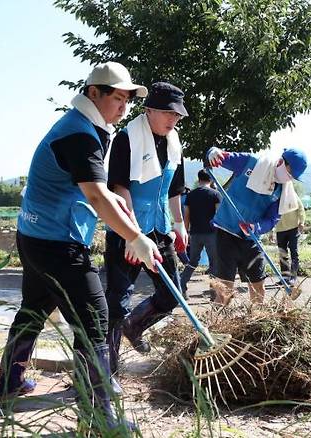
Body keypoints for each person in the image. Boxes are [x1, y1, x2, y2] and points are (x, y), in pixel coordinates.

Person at [0, 62, 155, 430]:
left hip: (35, 236)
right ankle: (100, 416)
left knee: (34, 310)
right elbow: (97, 197)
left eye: (128, 100)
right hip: (57, 243)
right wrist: (134, 238)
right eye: (117, 97)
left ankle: (9, 382)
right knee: (94, 320)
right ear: (93, 93)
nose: (123, 107)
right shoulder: (79, 135)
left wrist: (126, 216)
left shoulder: (83, 128)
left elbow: (101, 195)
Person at [104, 82, 188, 367]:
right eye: (167, 113)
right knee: (117, 302)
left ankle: (135, 326)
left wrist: (179, 224)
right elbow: (119, 187)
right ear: (149, 109)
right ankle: (107, 370)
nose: (172, 120)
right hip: (126, 230)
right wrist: (132, 234)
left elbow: (175, 188)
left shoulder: (175, 143)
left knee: (172, 293)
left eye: (177, 116)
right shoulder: (127, 138)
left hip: (159, 228)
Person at [206, 146, 308, 304]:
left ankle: (257, 321)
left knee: (258, 286)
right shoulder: (251, 162)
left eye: (293, 177)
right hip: (226, 233)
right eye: (289, 173)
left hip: (251, 239)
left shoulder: (282, 191)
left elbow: (272, 219)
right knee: (224, 288)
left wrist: (256, 227)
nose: (289, 179)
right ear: (281, 162)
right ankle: (218, 322)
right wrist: (213, 153)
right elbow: (221, 157)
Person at [179, 169, 221, 294]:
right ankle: (214, 294)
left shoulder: (190, 195)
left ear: (198, 179)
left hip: (195, 233)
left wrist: (185, 232)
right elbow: (218, 217)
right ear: (211, 179)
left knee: (192, 262)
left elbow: (186, 216)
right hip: (212, 234)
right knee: (214, 263)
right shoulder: (215, 194)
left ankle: (181, 286)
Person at [274, 192, 305, 285]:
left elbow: (301, 209)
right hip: (280, 229)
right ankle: (284, 278)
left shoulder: (293, 195)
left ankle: (293, 277)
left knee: (294, 252)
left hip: (293, 228)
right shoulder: (275, 196)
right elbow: (271, 215)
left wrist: (302, 222)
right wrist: (271, 231)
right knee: (282, 254)